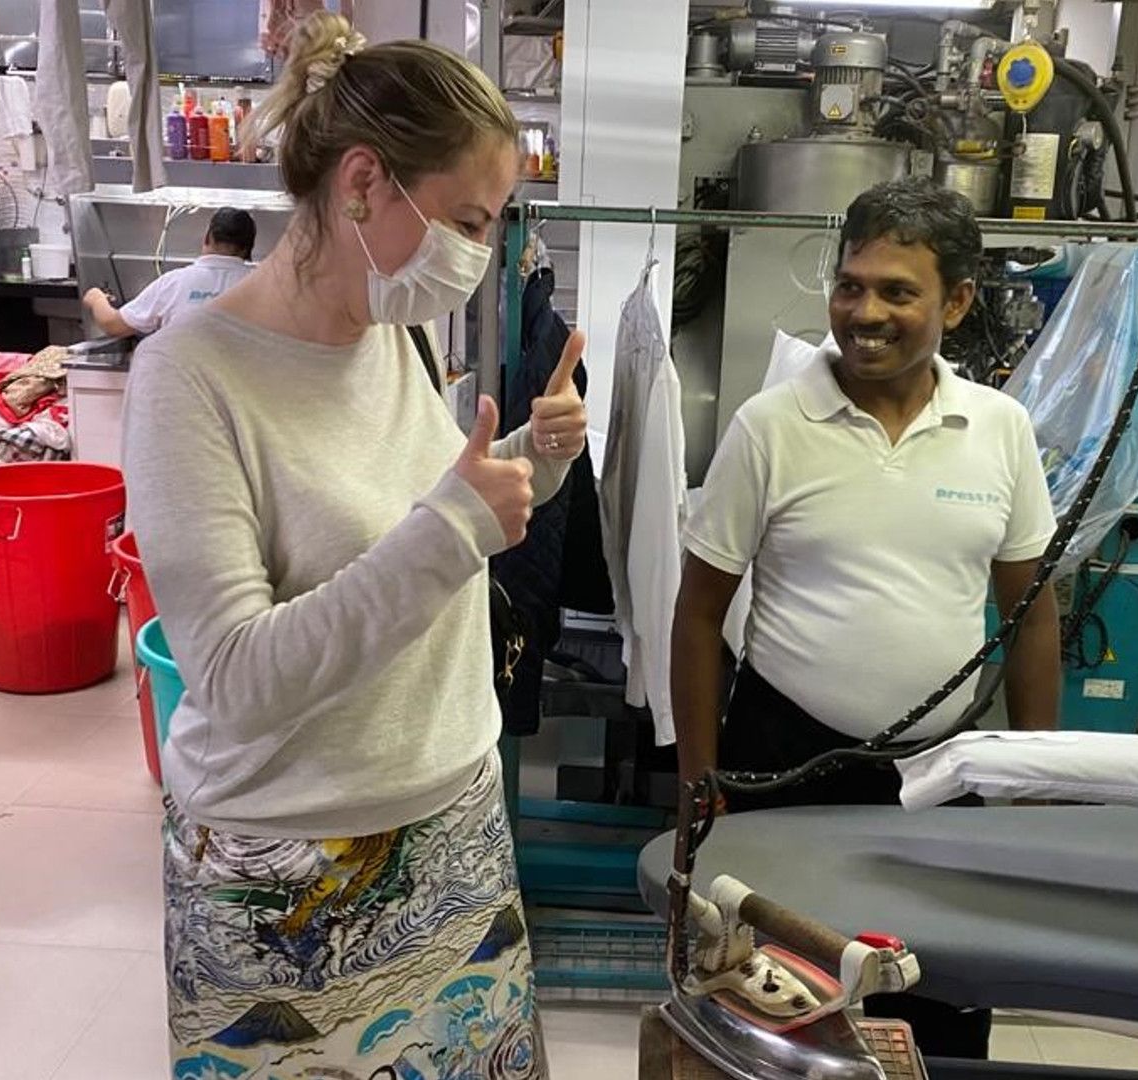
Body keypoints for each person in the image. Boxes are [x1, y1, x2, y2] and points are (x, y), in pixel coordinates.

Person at [121, 14, 586, 1078]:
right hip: (283, 872)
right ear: (365, 183)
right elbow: (233, 675)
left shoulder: (398, 330)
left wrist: (527, 461)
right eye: (470, 221)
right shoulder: (193, 377)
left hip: (455, 825)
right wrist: (459, 525)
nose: (479, 254)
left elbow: (404, 515)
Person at [669, 177, 1063, 1060]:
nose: (865, 312)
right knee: (780, 1015)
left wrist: (1038, 779)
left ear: (956, 302)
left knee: (940, 1008)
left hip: (947, 775)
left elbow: (1032, 615)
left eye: (897, 291)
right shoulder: (770, 427)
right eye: (851, 285)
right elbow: (698, 616)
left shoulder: (1000, 428)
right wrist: (699, 779)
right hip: (786, 764)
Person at [81, 207, 257, 338]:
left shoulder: (175, 283)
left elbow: (113, 324)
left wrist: (97, 299)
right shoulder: (263, 284)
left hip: (182, 384)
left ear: (206, 238)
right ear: (249, 248)